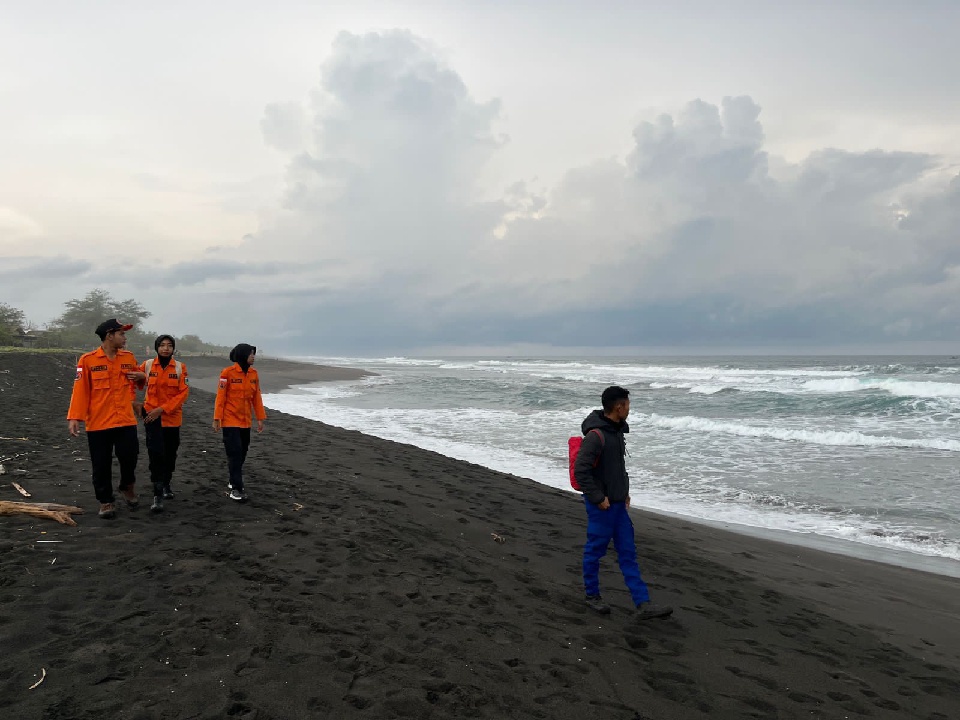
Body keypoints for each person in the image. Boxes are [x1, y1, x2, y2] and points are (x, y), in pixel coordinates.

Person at [573, 385, 673, 621]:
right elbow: (581, 471)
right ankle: (592, 596)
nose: (629, 409)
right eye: (627, 405)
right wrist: (599, 498)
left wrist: (624, 492)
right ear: (619, 407)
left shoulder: (616, 431)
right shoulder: (595, 436)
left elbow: (617, 468)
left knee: (628, 552)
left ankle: (642, 603)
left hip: (618, 504)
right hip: (602, 506)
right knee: (595, 551)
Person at [67, 319, 147, 519]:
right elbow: (80, 390)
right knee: (101, 464)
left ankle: (127, 486)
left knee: (130, 456)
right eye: (121, 334)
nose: (125, 338)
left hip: (125, 420)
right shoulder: (88, 360)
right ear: (109, 336)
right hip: (99, 422)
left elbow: (138, 379)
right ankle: (105, 501)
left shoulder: (128, 357)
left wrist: (141, 377)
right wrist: (75, 417)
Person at [139, 334, 190, 512]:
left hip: (171, 417)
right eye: (162, 345)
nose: (166, 348)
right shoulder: (147, 365)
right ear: (156, 347)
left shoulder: (179, 368)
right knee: (155, 454)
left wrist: (162, 409)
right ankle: (157, 493)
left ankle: (167, 482)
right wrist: (135, 405)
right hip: (151, 418)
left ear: (173, 348)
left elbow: (183, 393)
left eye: (169, 345)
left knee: (170, 454)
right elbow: (136, 383)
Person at [212, 343, 266, 502]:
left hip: (245, 421)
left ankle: (232, 478)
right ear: (243, 354)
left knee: (242, 452)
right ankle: (237, 488)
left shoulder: (254, 374)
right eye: (251, 354)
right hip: (229, 420)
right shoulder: (227, 373)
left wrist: (260, 418)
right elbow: (220, 397)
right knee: (234, 453)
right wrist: (217, 418)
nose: (253, 356)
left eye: (254, 354)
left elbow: (257, 397)